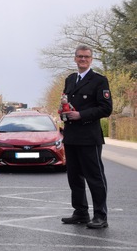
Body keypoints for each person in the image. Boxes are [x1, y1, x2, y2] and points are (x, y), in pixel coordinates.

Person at [59, 45, 112, 229]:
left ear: (91, 59)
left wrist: (81, 115)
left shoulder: (99, 80)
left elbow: (106, 108)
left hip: (89, 136)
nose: (83, 59)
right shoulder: (70, 79)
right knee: (74, 177)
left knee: (95, 177)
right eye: (80, 56)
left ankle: (100, 216)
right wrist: (63, 112)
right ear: (75, 58)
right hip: (71, 136)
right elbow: (66, 103)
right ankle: (80, 212)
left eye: (86, 57)